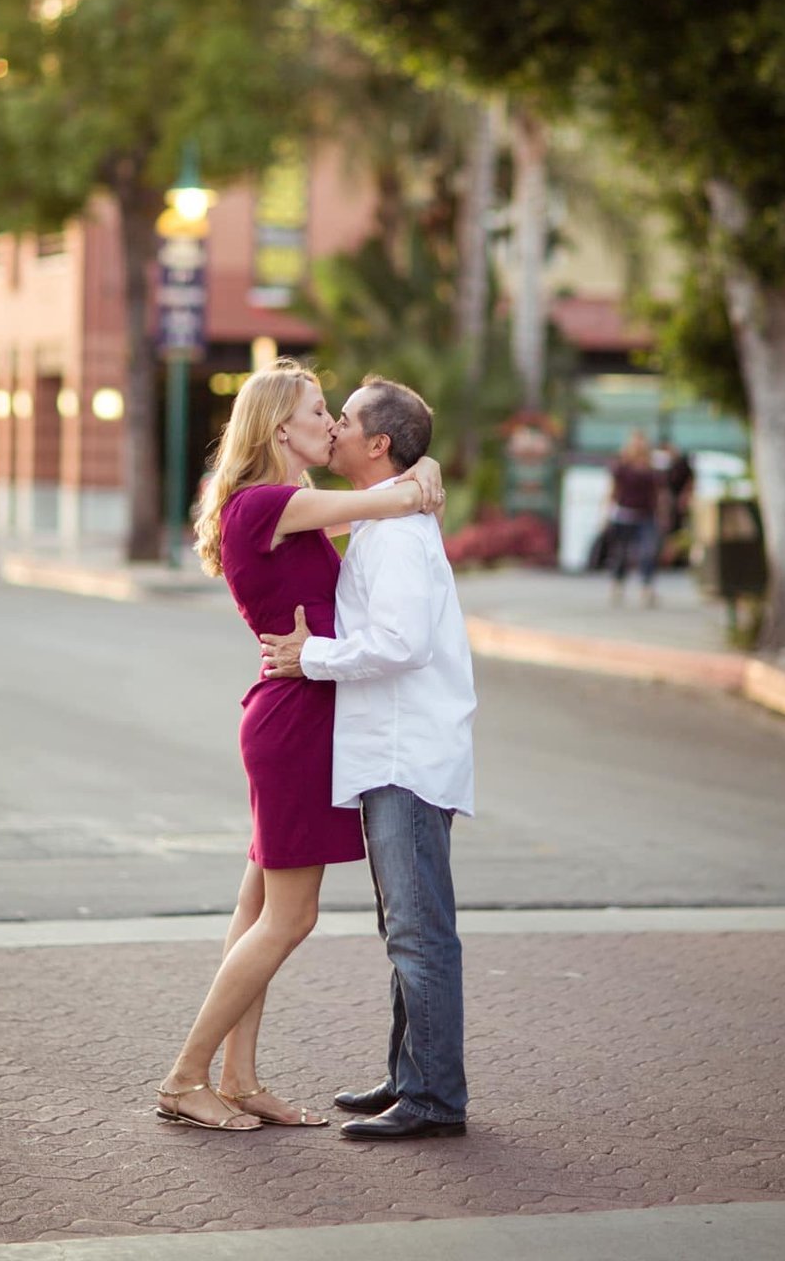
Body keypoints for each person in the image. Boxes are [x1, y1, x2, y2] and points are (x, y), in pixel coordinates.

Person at [156, 360, 443, 1135]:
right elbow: (388, 498)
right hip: (295, 721)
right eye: (322, 411)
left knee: (256, 910)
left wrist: (417, 477)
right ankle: (185, 1077)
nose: (333, 424)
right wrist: (421, 477)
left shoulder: (291, 509)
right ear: (282, 427)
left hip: (298, 712)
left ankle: (240, 1077)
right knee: (291, 918)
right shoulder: (269, 504)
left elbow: (378, 505)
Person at [261, 375, 476, 1142]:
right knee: (404, 928)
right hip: (392, 752)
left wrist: (308, 656)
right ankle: (408, 1076)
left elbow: (401, 644)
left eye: (344, 419)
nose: (335, 429)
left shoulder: (399, 538)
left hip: (407, 756)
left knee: (420, 932)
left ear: (378, 444)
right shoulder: (384, 523)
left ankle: (434, 1101)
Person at [605, 429, 661, 607]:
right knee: (621, 553)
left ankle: (646, 587)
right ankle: (618, 583)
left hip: (646, 514)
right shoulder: (621, 466)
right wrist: (606, 512)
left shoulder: (652, 467)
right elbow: (612, 490)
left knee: (647, 551)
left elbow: (659, 493)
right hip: (624, 514)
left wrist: (661, 514)